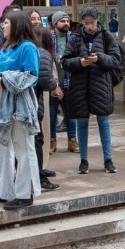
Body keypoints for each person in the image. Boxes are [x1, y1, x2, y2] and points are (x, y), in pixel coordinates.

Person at [0, 10, 42, 210]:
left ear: (16, 25)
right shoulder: (4, 50)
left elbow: (31, 76)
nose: (3, 26)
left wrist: (4, 81)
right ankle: (4, 190)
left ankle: (25, 193)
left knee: (23, 148)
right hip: (5, 105)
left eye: (6, 23)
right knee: (2, 148)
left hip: (22, 104)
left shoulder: (28, 48)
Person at [62, 6, 123, 175]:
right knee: (82, 122)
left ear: (98, 21)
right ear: (82, 22)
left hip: (101, 85)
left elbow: (116, 59)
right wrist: (81, 62)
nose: (89, 26)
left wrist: (99, 58)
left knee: (104, 122)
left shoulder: (106, 36)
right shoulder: (75, 38)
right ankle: (84, 160)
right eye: (86, 23)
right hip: (80, 86)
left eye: (93, 22)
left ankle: (108, 159)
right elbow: (65, 61)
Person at [32, 26, 61, 190]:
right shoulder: (42, 54)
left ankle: (38, 174)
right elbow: (46, 81)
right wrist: (55, 84)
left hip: (30, 102)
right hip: (35, 102)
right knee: (37, 140)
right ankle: (39, 177)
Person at [48, 11, 78, 151]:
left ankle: (72, 141)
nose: (66, 23)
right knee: (52, 114)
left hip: (70, 81)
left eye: (67, 21)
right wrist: (53, 84)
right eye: (62, 21)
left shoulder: (73, 38)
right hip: (53, 82)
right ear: (55, 23)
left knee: (71, 114)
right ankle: (51, 143)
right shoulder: (48, 38)